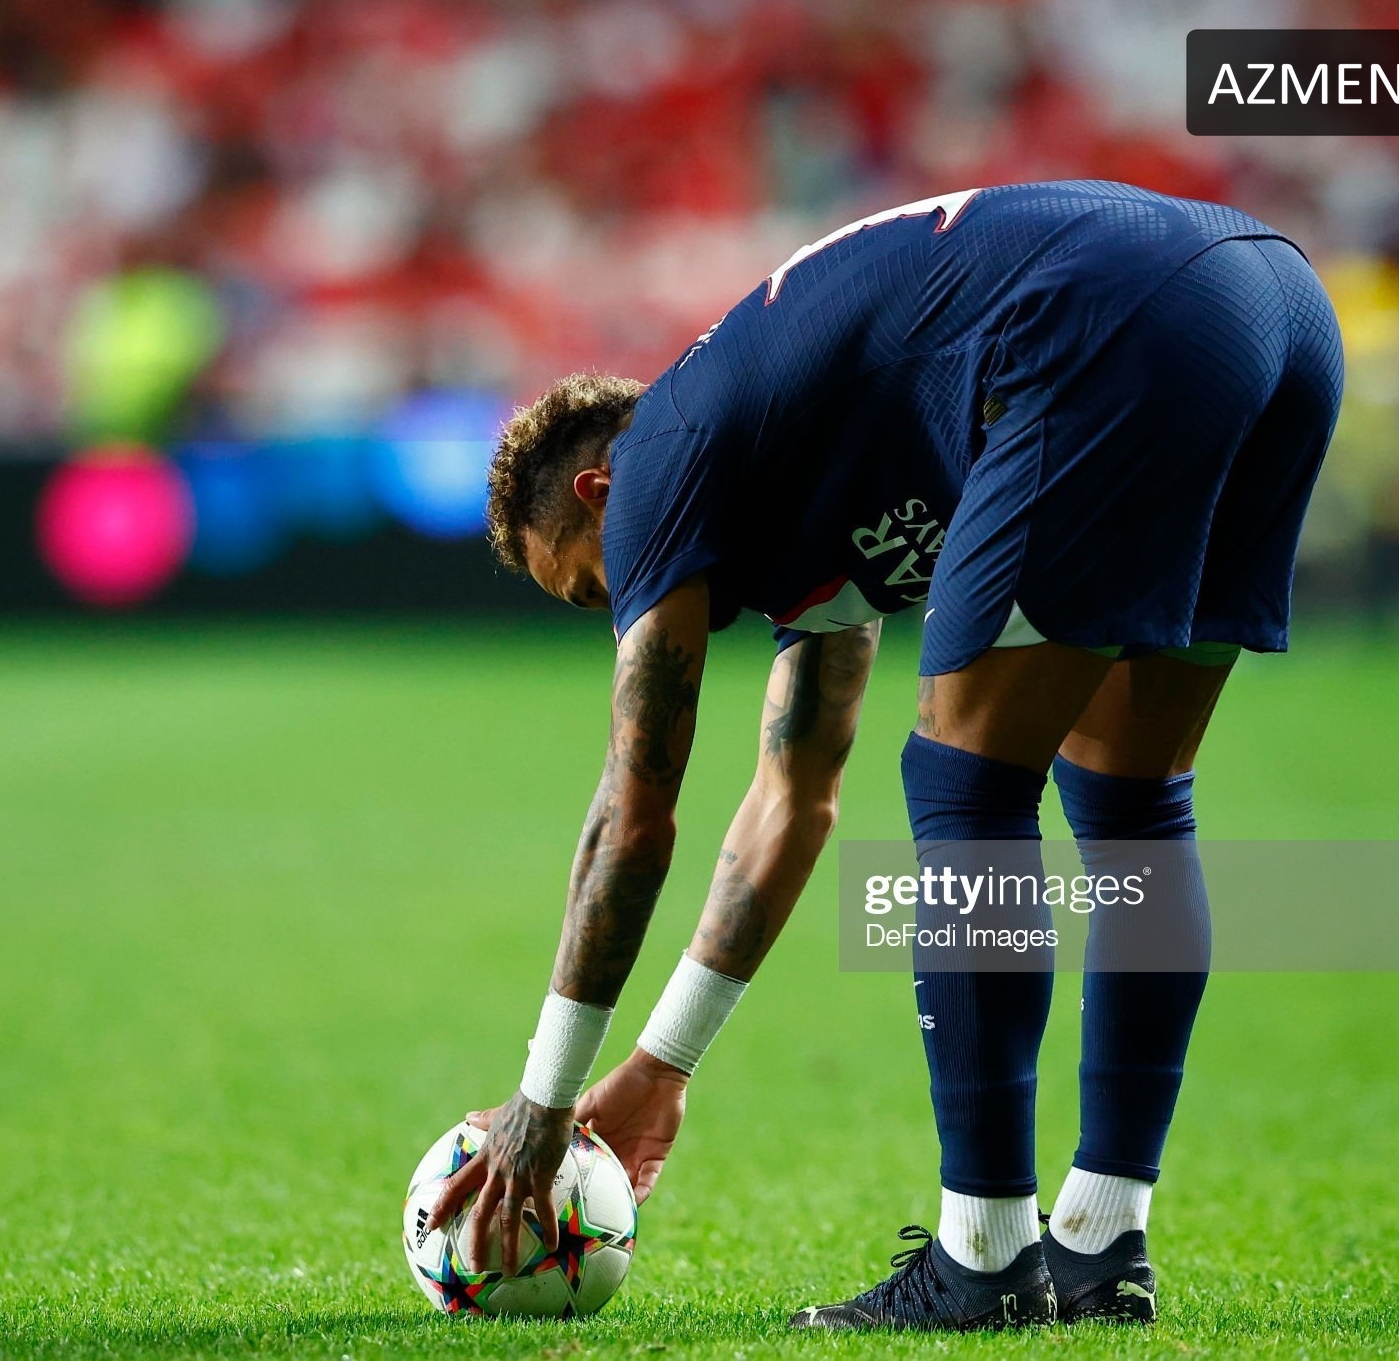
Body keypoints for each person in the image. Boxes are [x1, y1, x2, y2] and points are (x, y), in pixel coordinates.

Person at [426, 180, 1343, 1330]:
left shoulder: (657, 456)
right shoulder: (790, 469)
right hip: (1271, 306)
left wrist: (544, 1095)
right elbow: (792, 797)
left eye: (587, 585)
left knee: (965, 785)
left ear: (596, 493)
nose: (616, 606)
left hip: (1106, 315)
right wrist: (661, 1064)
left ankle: (982, 1261)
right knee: (1132, 802)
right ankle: (1098, 1243)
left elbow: (632, 814)